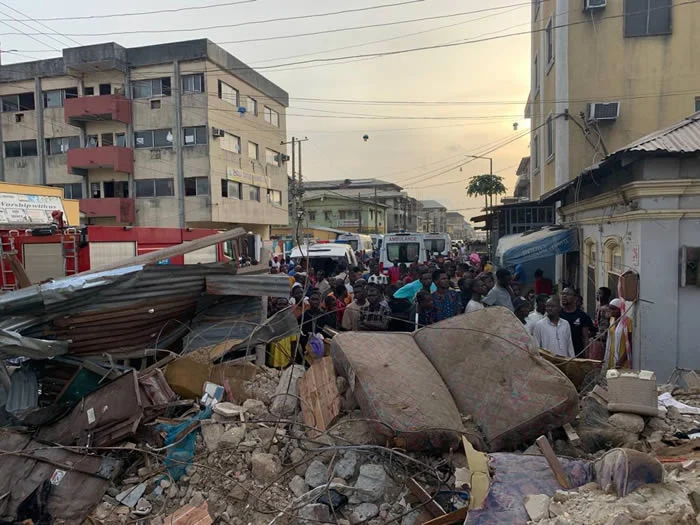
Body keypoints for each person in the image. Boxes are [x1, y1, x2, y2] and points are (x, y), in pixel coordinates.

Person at [559, 287, 594, 357]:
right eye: (563, 294)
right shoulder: (558, 314)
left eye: (567, 294)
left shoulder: (582, 316)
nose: (564, 296)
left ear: (575, 298)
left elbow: (585, 337)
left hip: (577, 353)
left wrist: (586, 355)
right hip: (561, 352)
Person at [604, 298, 632, 370]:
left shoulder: (627, 321)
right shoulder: (611, 320)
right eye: (610, 309)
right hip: (611, 356)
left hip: (621, 357)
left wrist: (621, 360)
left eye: (613, 309)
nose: (611, 311)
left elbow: (630, 343)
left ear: (620, 309)